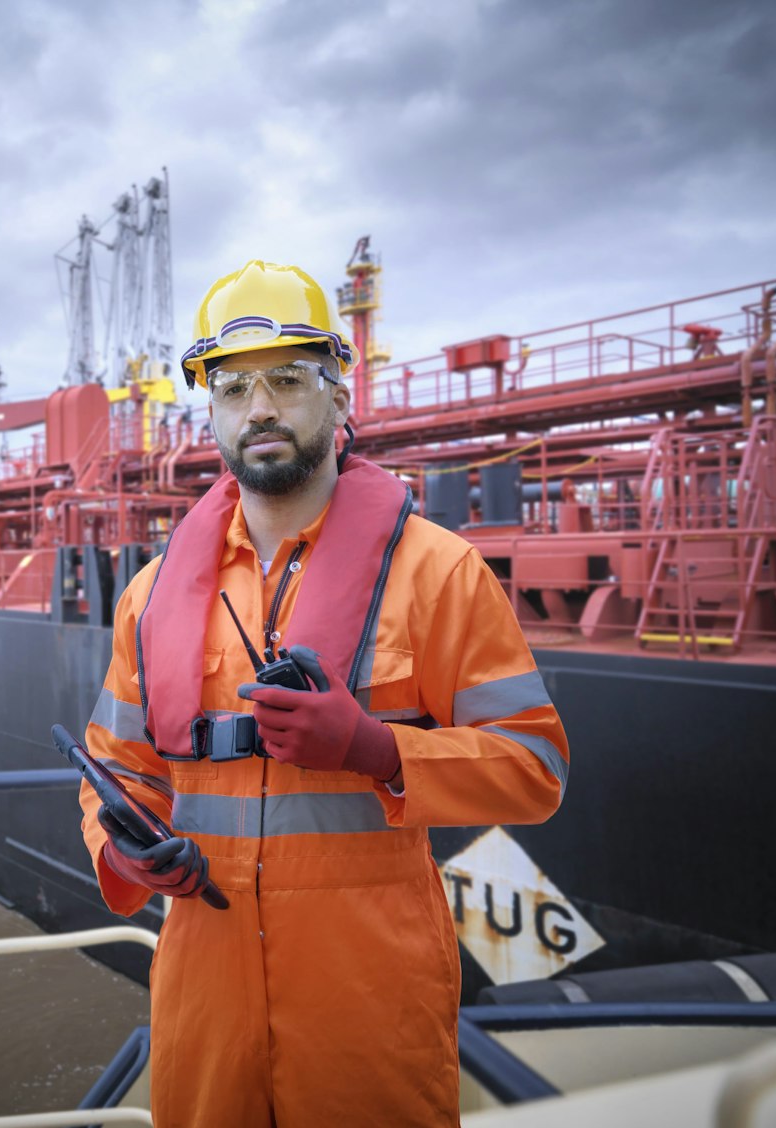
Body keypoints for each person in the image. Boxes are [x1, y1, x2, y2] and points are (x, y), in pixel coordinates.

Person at [77, 260, 568, 1127]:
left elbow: (534, 768)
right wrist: (124, 850)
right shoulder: (150, 594)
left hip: (368, 1004)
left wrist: (380, 751)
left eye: (287, 381)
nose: (259, 407)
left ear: (339, 400)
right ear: (212, 415)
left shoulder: (437, 573)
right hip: (203, 997)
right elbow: (117, 768)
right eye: (233, 389)